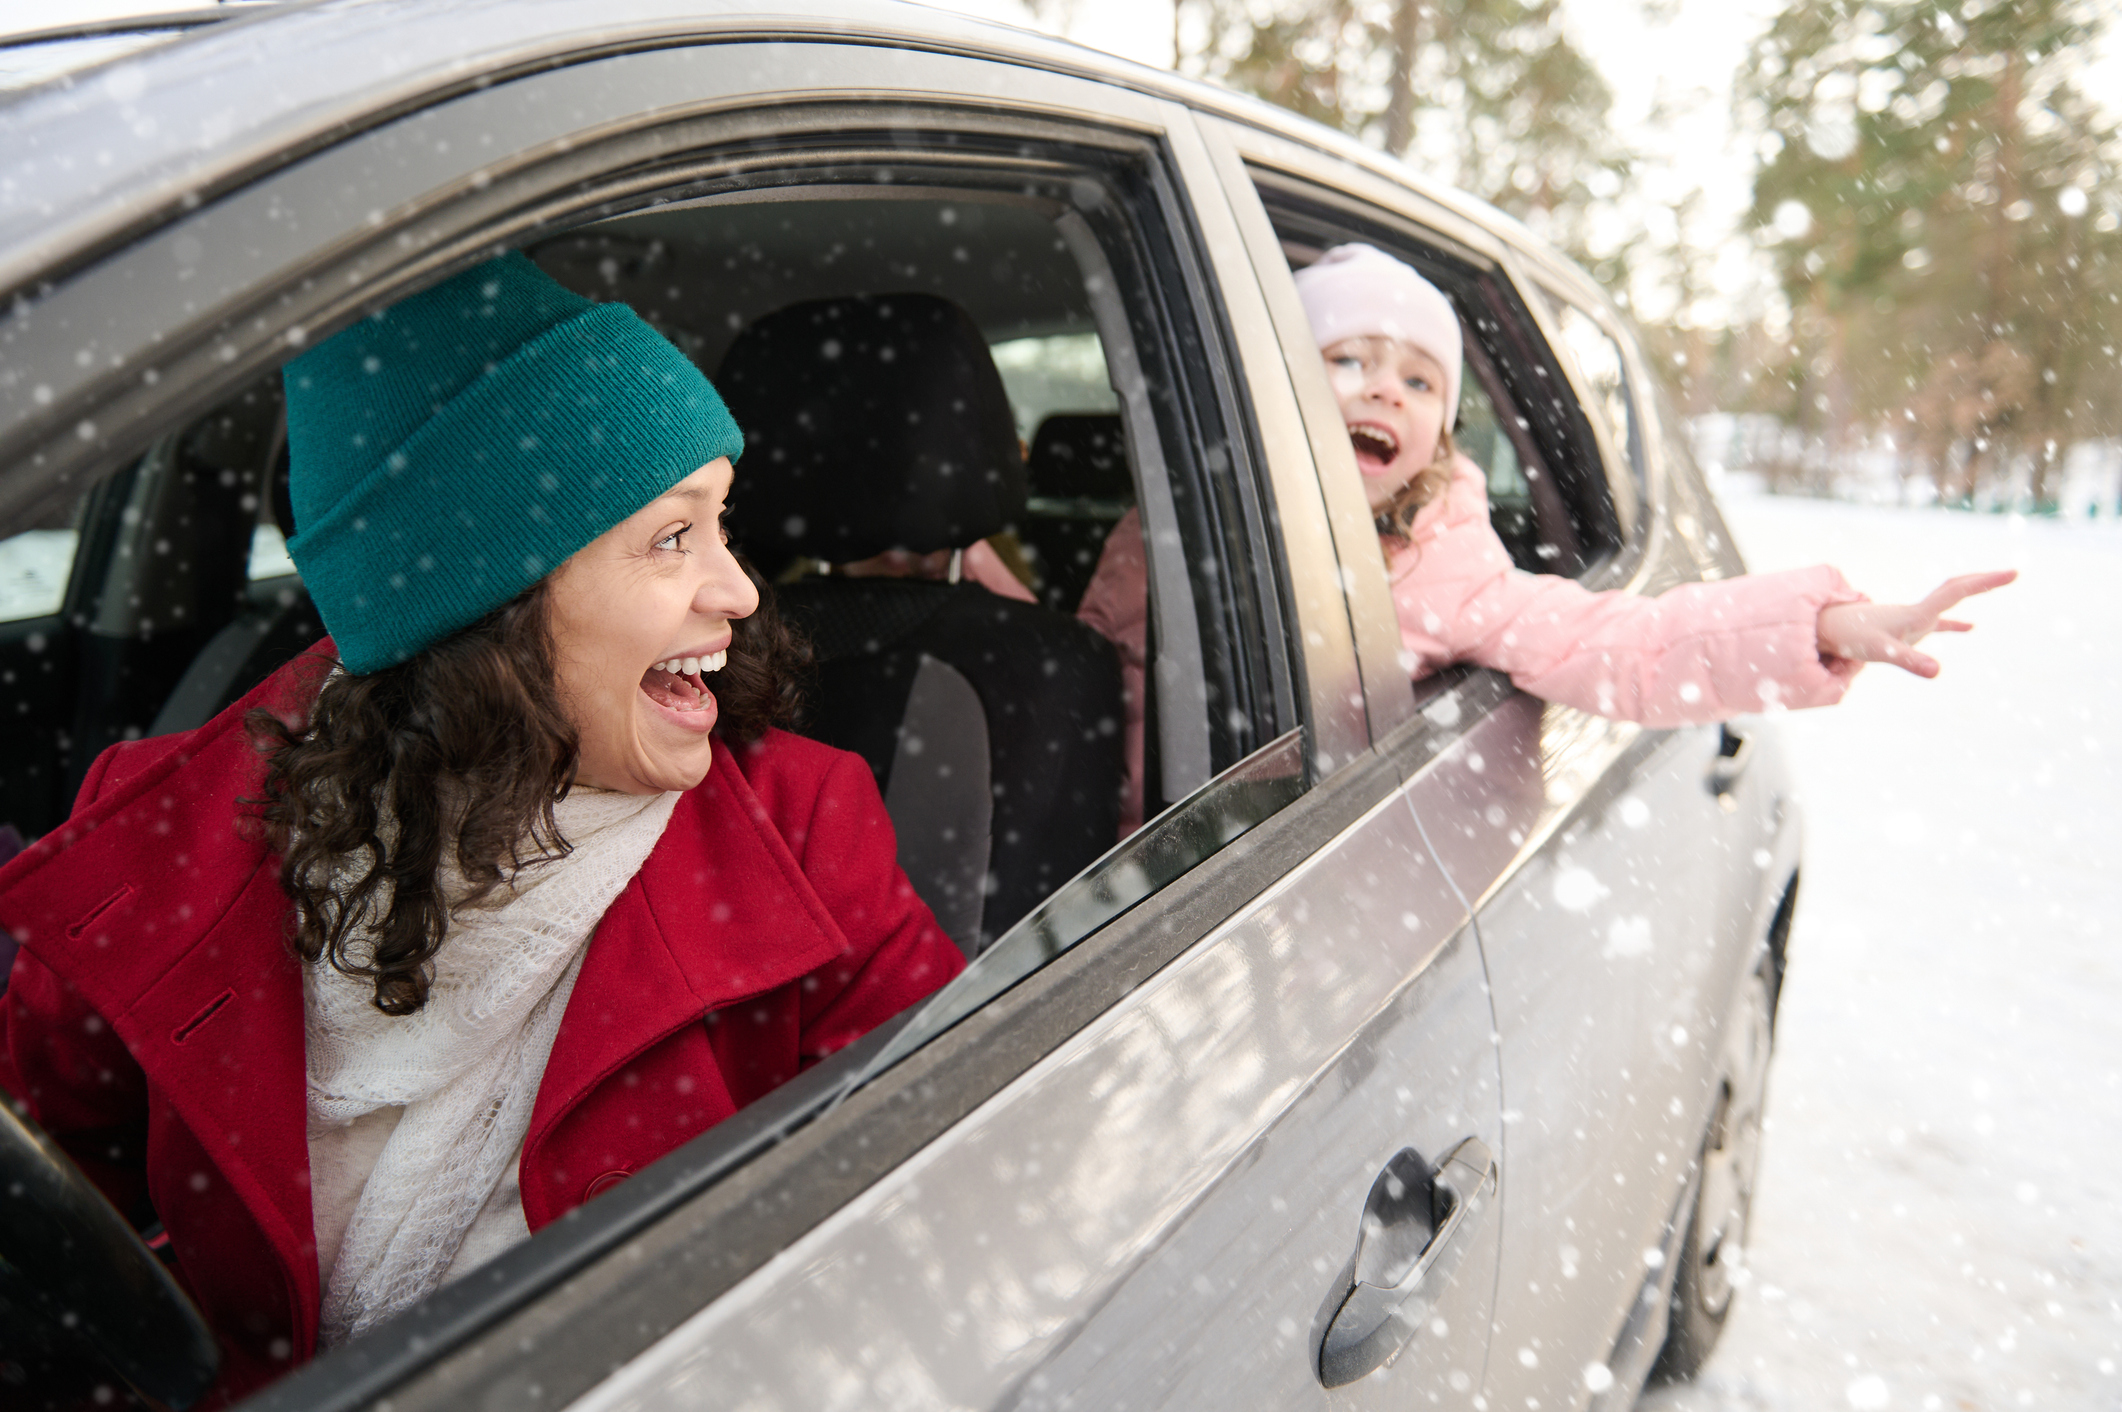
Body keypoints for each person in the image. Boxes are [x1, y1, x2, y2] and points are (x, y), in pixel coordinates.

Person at [0, 252, 965, 1401]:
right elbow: (47, 1227)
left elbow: (942, 1202)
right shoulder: (167, 840)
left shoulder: (803, 828)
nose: (741, 590)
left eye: (723, 525)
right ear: (487, 601)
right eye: (672, 537)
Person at [1078, 243, 2014, 833]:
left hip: (1228, 869)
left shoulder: (1447, 569)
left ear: (1439, 433)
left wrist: (1819, 626)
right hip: (1099, 876)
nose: (1381, 391)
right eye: (1348, 360)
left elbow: (1629, 644)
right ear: (1277, 391)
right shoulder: (1172, 520)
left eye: (1417, 382)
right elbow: (1083, 661)